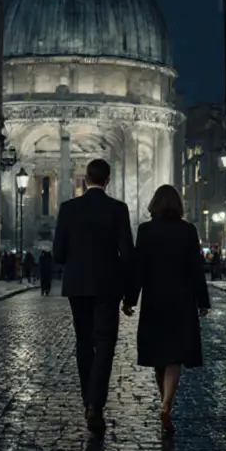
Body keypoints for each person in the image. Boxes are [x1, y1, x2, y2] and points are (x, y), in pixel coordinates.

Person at [53, 158, 135, 434]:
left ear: (85, 180)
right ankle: (95, 405)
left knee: (83, 342)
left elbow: (58, 254)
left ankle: (88, 399)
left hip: (77, 287)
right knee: (105, 344)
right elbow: (128, 254)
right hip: (108, 287)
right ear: (108, 180)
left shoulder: (68, 209)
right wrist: (130, 293)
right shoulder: (118, 209)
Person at [122, 185, 210, 436]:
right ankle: (166, 404)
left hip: (155, 299)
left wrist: (130, 299)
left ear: (154, 204)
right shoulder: (188, 231)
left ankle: (165, 402)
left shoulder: (146, 231)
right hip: (181, 300)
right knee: (175, 355)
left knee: (158, 354)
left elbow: (138, 268)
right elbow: (196, 269)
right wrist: (202, 301)